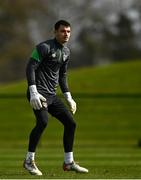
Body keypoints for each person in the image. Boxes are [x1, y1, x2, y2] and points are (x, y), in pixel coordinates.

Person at [23, 20, 88, 176]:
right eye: (62, 31)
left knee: (71, 123)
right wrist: (33, 91)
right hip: (38, 94)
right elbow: (30, 67)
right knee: (43, 122)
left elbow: (62, 75)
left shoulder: (66, 52)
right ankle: (28, 161)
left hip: (52, 95)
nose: (66, 34)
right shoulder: (43, 47)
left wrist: (69, 97)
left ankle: (68, 162)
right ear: (55, 32)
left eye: (68, 31)